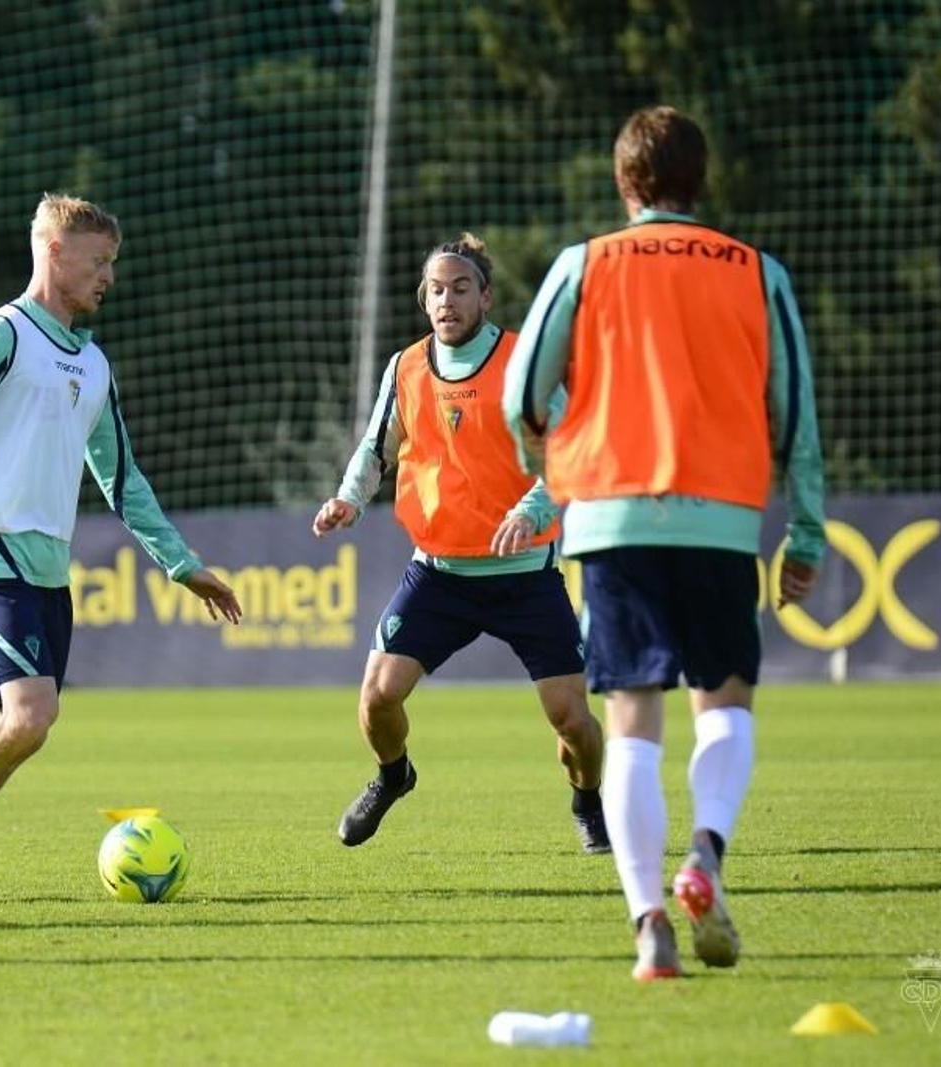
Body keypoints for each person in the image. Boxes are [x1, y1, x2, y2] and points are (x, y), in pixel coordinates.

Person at [504, 106, 826, 981]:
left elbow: (523, 393)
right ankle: (707, 854)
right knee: (722, 706)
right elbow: (794, 409)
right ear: (701, 180)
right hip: (719, 518)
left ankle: (650, 923)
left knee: (632, 722)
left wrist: (555, 462)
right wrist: (805, 527)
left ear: (624, 184)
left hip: (610, 518)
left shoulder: (585, 263)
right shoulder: (758, 272)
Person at [0, 192, 243, 900]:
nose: (108, 277)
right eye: (98, 261)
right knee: (30, 715)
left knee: (26, 728)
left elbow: (123, 479)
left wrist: (182, 564)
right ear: (53, 251)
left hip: (48, 569)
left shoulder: (92, 365)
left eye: (112, 264)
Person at [313, 233, 609, 856]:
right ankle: (394, 776)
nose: (447, 300)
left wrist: (531, 512)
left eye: (461, 288)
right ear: (425, 300)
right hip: (438, 576)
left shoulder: (525, 362)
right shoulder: (406, 367)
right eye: (437, 290)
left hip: (524, 575)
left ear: (486, 297)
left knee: (573, 723)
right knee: (376, 700)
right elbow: (377, 450)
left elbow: (568, 454)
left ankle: (588, 801)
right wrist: (348, 498)